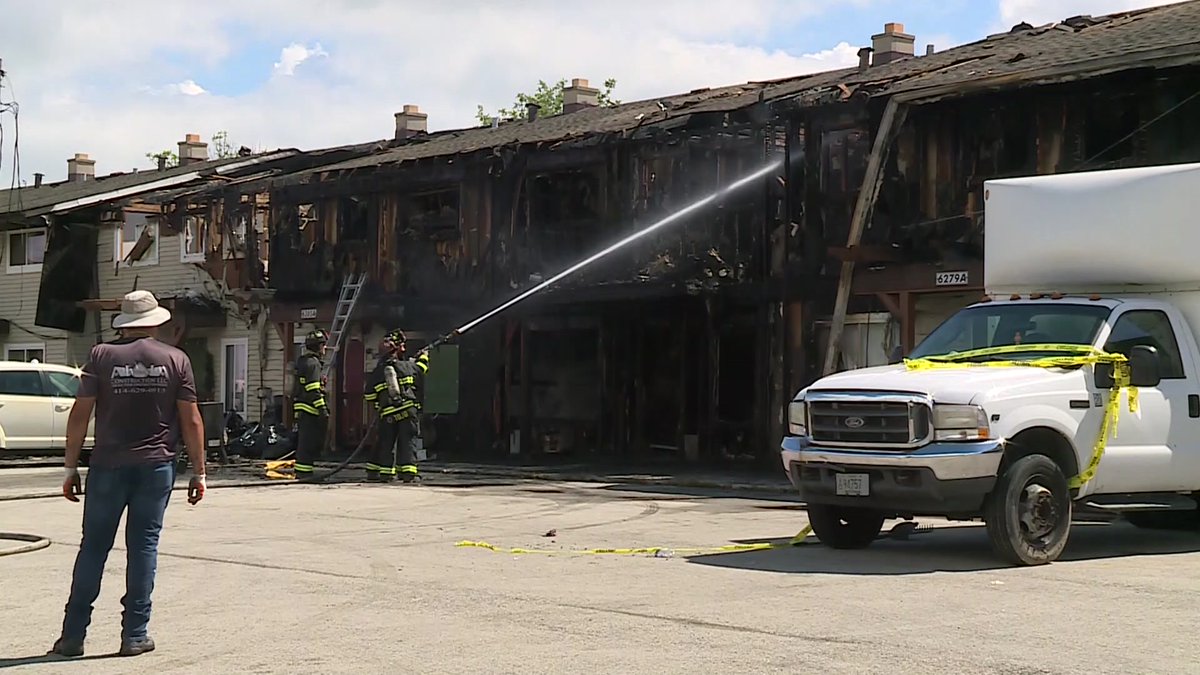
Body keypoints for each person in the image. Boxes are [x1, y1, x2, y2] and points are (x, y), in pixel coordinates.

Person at [52, 290, 206, 659]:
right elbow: (192, 420)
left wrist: (71, 466)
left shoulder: (102, 356)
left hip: (107, 467)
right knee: (143, 548)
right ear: (155, 322)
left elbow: (80, 413)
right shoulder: (176, 359)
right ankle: (135, 634)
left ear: (124, 323)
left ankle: (72, 637)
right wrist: (199, 472)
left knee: (93, 548)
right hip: (156, 467)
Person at [364, 329, 430, 483]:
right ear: (398, 348)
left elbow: (369, 395)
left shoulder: (378, 372)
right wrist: (424, 357)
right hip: (408, 410)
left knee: (386, 442)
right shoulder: (407, 366)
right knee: (408, 440)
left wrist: (380, 404)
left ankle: (386, 473)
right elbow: (421, 371)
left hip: (388, 413)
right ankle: (408, 473)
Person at [292, 329, 330, 480]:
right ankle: (305, 473)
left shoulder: (303, 361)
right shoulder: (313, 364)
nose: (325, 349)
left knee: (304, 443)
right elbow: (313, 389)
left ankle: (304, 472)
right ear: (320, 347)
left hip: (302, 408)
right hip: (310, 409)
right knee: (309, 444)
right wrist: (322, 409)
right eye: (324, 346)